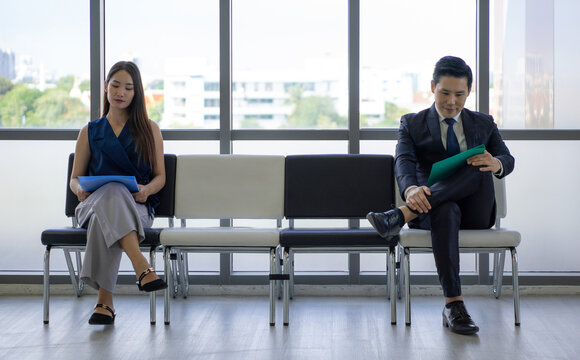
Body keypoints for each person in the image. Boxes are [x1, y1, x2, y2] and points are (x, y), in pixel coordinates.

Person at [367, 56, 514, 335]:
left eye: (459, 94)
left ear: (468, 92)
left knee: (479, 164)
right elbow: (404, 161)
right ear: (432, 87)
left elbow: (507, 157)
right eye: (444, 93)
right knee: (445, 209)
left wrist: (497, 164)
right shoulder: (412, 123)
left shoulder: (484, 123)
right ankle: (454, 305)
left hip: (474, 211)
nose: (451, 102)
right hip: (431, 211)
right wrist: (410, 190)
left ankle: (399, 216)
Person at [70, 61, 167, 325]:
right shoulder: (89, 131)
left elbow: (160, 177)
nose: (120, 92)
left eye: (128, 88)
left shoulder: (150, 130)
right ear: (105, 87)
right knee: (110, 194)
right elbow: (75, 179)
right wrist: (79, 190)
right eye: (115, 85)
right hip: (92, 205)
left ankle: (105, 302)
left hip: (136, 206)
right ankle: (141, 267)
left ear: (136, 93)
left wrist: (146, 190)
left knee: (111, 209)